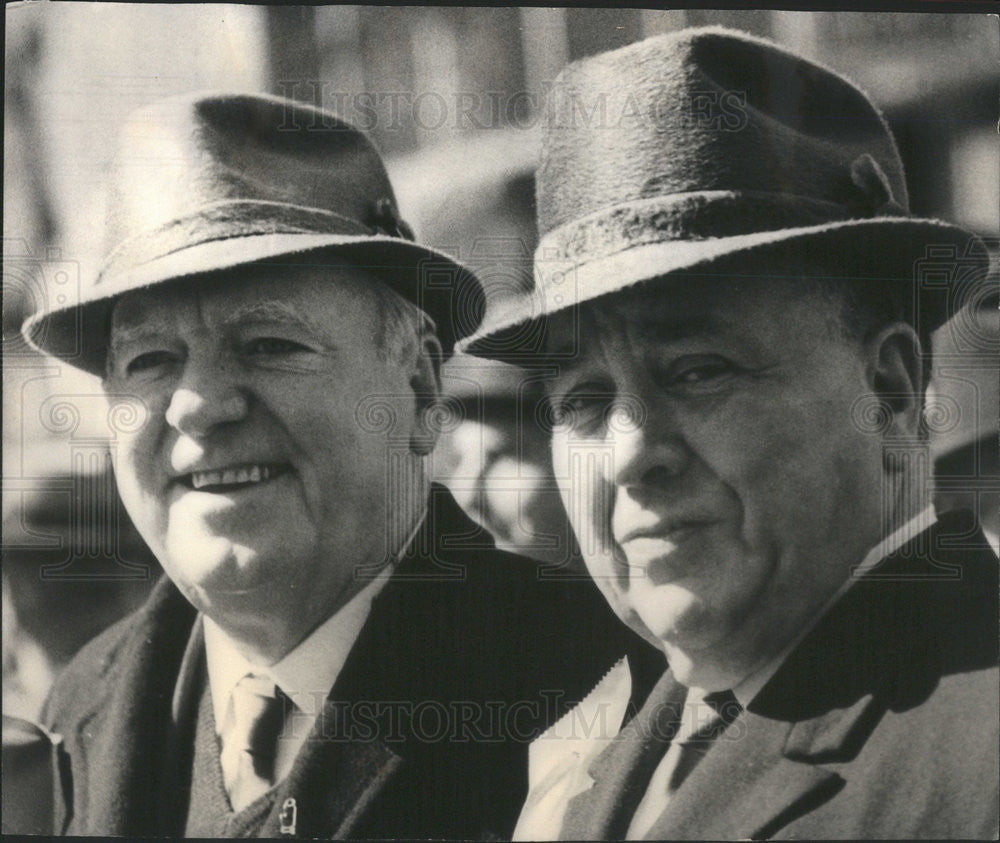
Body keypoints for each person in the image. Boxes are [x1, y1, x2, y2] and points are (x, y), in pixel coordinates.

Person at [22, 92, 650, 838]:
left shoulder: (591, 684)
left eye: (270, 344)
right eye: (150, 360)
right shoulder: (82, 709)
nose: (198, 405)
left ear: (418, 389)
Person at [462, 27, 999, 839]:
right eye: (584, 399)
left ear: (888, 389)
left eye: (698, 370)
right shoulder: (593, 773)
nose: (633, 451)